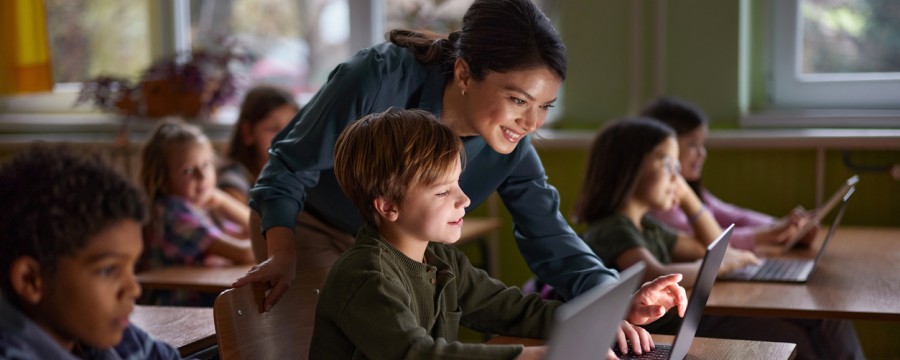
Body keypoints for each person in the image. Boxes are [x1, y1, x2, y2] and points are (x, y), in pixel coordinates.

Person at [234, 0, 687, 330]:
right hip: (305, 223)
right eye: (517, 100)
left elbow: (550, 236)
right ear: (465, 74)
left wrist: (617, 298)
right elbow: (287, 167)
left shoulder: (510, 145)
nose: (530, 123)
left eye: (545, 106)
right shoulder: (376, 76)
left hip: (392, 239)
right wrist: (283, 251)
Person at [310, 108, 651, 359]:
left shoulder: (440, 258)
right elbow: (418, 355)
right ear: (387, 207)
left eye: (457, 183)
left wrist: (598, 323)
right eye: (443, 192)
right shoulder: (366, 276)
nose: (465, 199)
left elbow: (512, 310)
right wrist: (544, 356)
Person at [576, 117, 865, 360]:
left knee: (814, 322)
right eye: (669, 165)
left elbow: (707, 247)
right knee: (792, 338)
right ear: (630, 168)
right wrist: (719, 265)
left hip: (685, 321)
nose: (678, 178)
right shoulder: (612, 227)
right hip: (661, 332)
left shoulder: (649, 225)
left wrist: (689, 200)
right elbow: (653, 273)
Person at [0, 144, 181, 359]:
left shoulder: (115, 338)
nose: (133, 289)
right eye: (108, 270)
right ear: (30, 279)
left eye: (132, 266)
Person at [641, 97, 815, 250]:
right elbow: (709, 240)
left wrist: (784, 226)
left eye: (703, 144)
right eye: (693, 145)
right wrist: (772, 233)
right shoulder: (661, 206)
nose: (703, 154)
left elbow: (734, 216)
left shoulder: (692, 191)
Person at [140, 119, 255, 306]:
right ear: (163, 177)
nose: (202, 176)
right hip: (181, 309)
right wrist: (280, 244)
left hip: (204, 302)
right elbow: (244, 252)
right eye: (188, 170)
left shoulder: (198, 207)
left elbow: (251, 232)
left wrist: (222, 200)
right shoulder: (175, 214)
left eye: (207, 164)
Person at [220, 85, 298, 205]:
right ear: (248, 132)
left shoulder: (297, 176)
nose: (285, 137)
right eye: (273, 128)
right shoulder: (233, 180)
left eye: (291, 128)